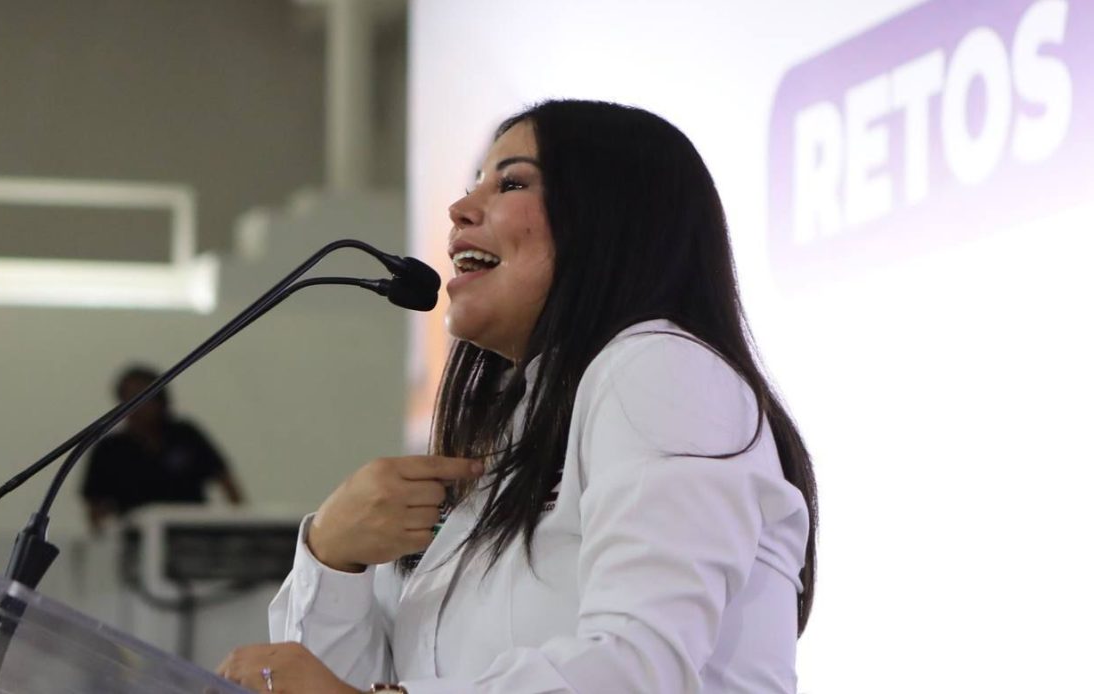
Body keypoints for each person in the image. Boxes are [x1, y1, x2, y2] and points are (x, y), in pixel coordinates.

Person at [218, 99, 818, 693]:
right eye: (474, 182)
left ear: (609, 217)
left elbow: (638, 670)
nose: (458, 209)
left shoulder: (660, 367)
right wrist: (332, 556)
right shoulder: (509, 433)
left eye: (510, 182)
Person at [80, 364, 245, 532]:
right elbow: (95, 505)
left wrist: (241, 527)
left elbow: (226, 481)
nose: (138, 408)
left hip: (193, 536)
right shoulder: (109, 449)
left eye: (144, 398)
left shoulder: (186, 435)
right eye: (128, 399)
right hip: (136, 540)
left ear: (161, 400)